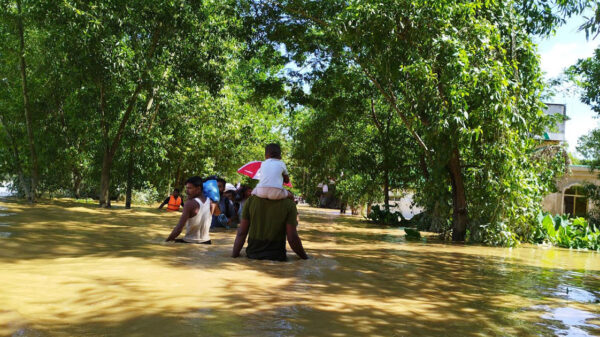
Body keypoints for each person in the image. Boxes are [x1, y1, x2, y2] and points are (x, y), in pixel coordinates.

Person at [232, 195, 308, 261]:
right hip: (277, 257)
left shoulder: (251, 201)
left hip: (252, 256)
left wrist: (234, 256)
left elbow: (241, 233)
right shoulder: (289, 204)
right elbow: (292, 238)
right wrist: (305, 258)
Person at [165, 176, 216, 244]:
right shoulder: (212, 202)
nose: (187, 191)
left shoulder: (190, 204)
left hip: (190, 242)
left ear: (198, 189)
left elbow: (178, 229)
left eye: (189, 188)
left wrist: (165, 242)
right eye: (187, 188)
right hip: (207, 241)